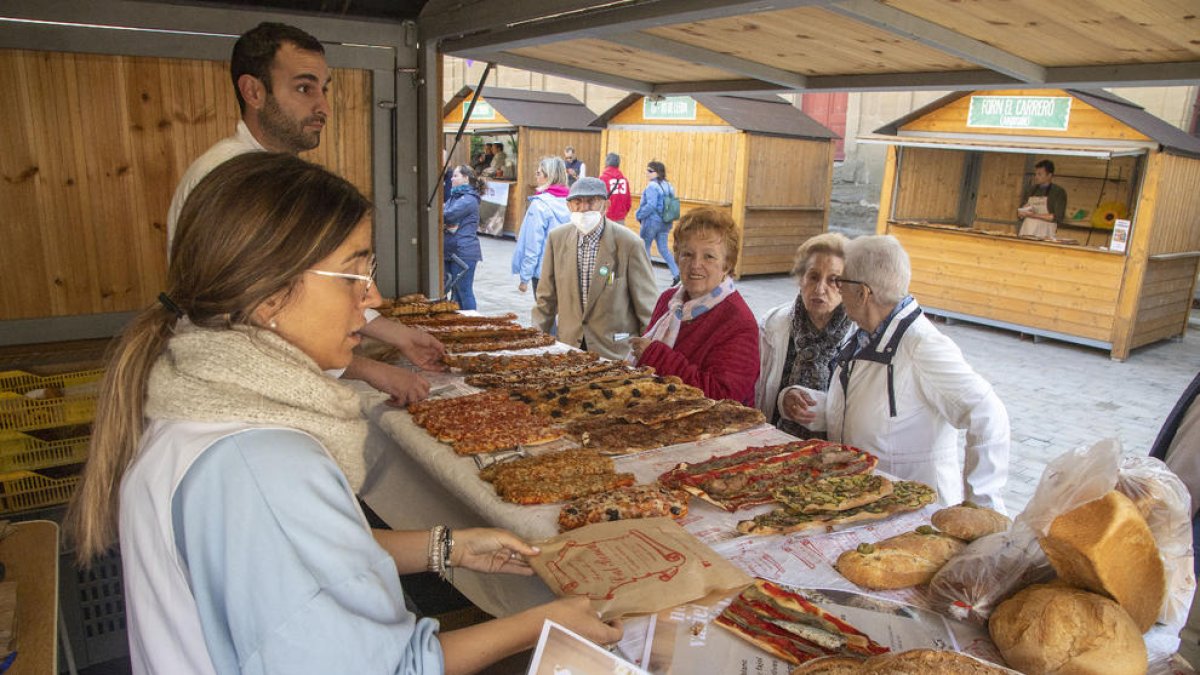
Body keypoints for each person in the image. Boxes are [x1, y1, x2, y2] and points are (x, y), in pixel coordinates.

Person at [66, 153, 622, 675]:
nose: (373, 295)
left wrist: (446, 547)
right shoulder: (264, 464)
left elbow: (292, 560)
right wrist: (544, 623)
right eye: (355, 272)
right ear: (269, 296)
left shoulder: (196, 401)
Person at [164, 22, 442, 407]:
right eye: (303, 88)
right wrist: (368, 369)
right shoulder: (232, 179)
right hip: (241, 389)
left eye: (323, 89)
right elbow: (257, 319)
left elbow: (311, 289)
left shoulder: (274, 174)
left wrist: (395, 334)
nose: (323, 106)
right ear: (253, 91)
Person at [779, 235, 1010, 511]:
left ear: (863, 293)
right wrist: (812, 405)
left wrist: (981, 505)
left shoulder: (921, 346)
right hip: (870, 500)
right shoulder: (867, 334)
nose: (837, 290)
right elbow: (879, 411)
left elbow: (988, 413)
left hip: (915, 511)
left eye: (841, 282)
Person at [629, 207, 759, 405]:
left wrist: (657, 357)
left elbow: (724, 396)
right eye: (687, 254)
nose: (696, 264)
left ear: (727, 264)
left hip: (713, 429)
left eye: (709, 256)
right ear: (676, 257)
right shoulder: (669, 299)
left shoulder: (738, 321)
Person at [533, 177, 657, 360]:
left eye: (591, 202)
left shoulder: (629, 244)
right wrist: (534, 343)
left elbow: (648, 308)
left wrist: (650, 355)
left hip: (614, 352)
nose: (583, 208)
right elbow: (545, 300)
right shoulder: (557, 239)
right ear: (569, 206)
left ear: (605, 205)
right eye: (577, 202)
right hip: (569, 348)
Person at [756, 233, 855, 439]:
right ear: (801, 278)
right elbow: (758, 392)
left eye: (834, 280)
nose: (820, 289)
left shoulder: (861, 335)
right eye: (813, 276)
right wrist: (782, 402)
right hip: (774, 444)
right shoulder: (773, 324)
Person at [511, 156, 571, 294]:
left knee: (544, 314)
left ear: (548, 176)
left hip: (544, 271)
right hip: (566, 271)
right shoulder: (573, 203)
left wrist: (524, 277)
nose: (536, 177)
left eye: (538, 173)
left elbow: (533, 244)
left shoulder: (539, 205)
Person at [442, 165, 484, 310]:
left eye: (456, 176)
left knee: (464, 292)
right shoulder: (455, 197)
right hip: (452, 251)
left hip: (463, 253)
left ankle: (473, 325)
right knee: (454, 293)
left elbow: (447, 215)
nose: (452, 179)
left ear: (466, 178)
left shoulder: (469, 199)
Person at [635, 160, 681, 286]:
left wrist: (638, 214)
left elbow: (650, 205)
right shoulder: (669, 186)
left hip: (651, 222)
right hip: (665, 222)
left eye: (650, 171)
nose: (647, 173)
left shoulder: (652, 186)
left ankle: (646, 278)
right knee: (663, 248)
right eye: (647, 170)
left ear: (657, 173)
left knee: (645, 248)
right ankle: (677, 273)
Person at [1017, 159, 1068, 238]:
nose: (1036, 177)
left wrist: (1034, 215)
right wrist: (1021, 213)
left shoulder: (1058, 192)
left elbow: (1058, 217)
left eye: (1039, 174)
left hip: (1045, 234)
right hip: (1027, 231)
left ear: (1049, 175)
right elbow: (1020, 214)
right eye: (1036, 174)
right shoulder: (1030, 190)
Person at [599, 153, 631, 223]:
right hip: (620, 219)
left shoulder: (602, 179)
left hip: (606, 218)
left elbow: (598, 200)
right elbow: (628, 202)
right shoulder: (624, 180)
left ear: (606, 163)